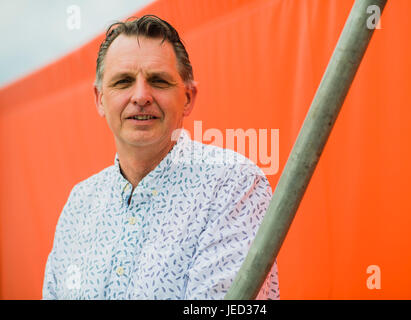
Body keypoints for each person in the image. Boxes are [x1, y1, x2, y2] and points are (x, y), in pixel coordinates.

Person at [42, 15, 279, 300]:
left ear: (189, 97)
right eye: (123, 81)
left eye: (159, 81)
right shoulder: (79, 204)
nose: (141, 96)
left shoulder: (233, 185)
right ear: (99, 99)